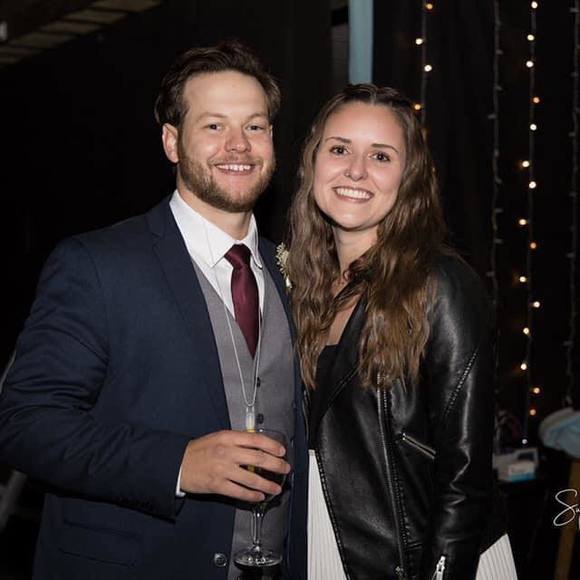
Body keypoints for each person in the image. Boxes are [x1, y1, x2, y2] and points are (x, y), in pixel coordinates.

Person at [0, 41, 307, 580]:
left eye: (255, 126)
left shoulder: (296, 274)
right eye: (214, 126)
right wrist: (177, 464)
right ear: (172, 141)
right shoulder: (97, 265)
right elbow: (25, 423)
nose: (238, 144)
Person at [287, 84, 517, 580]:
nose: (356, 171)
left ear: (408, 177)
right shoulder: (302, 288)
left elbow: (467, 474)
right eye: (340, 149)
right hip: (325, 546)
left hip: (430, 558)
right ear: (313, 161)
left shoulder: (440, 284)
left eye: (381, 156)